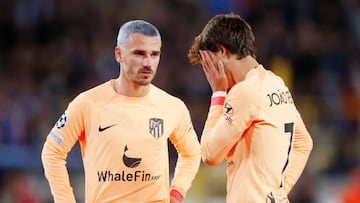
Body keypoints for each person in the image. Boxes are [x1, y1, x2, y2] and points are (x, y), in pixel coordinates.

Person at [41, 19, 201, 203]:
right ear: (119, 54)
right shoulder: (87, 103)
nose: (148, 62)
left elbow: (192, 153)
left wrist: (177, 192)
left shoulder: (172, 106)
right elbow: (52, 152)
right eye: (139, 54)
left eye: (154, 54)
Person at [188, 13, 313, 202]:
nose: (210, 73)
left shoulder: (244, 91)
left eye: (209, 64)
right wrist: (278, 192)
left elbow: (209, 154)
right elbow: (304, 144)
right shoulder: (275, 84)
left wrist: (218, 94)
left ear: (222, 51)